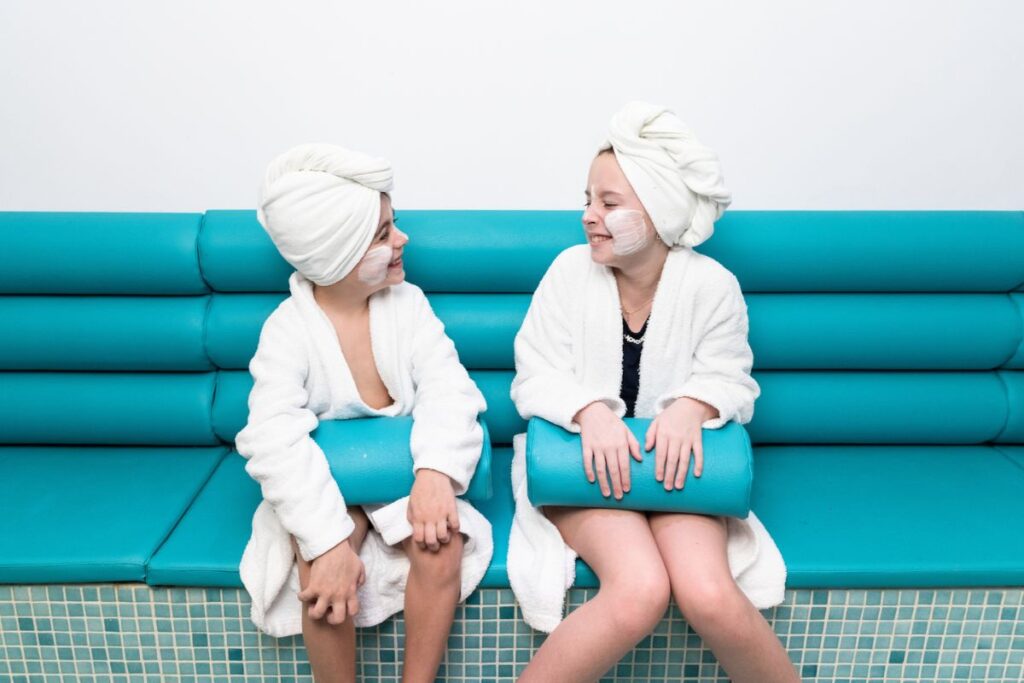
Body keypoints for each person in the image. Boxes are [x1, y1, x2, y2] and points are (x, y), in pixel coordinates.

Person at [508, 102, 798, 682]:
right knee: (640, 589)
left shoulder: (713, 287)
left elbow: (732, 377)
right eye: (587, 200)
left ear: (659, 209)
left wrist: (694, 406)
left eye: (609, 204)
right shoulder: (568, 273)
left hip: (674, 473)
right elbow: (534, 373)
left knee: (710, 593)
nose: (589, 216)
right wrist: (588, 411)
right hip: (585, 468)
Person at [235, 143, 493, 683]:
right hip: (328, 484)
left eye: (393, 225)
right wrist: (327, 541)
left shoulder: (410, 306)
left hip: (399, 478)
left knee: (439, 544)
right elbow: (272, 438)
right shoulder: (288, 331)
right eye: (382, 234)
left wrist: (435, 473)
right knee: (322, 564)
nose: (402, 240)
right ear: (337, 254)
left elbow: (451, 390)